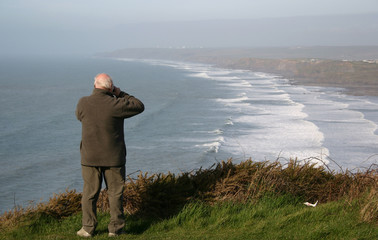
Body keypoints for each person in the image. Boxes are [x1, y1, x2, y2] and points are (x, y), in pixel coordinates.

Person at [75, 73, 144, 237]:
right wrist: (120, 93)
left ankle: (87, 228)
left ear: (94, 85)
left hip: (89, 157)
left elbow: (79, 117)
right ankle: (116, 229)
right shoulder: (117, 104)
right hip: (114, 158)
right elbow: (139, 105)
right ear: (110, 88)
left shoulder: (83, 103)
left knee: (89, 194)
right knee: (115, 194)